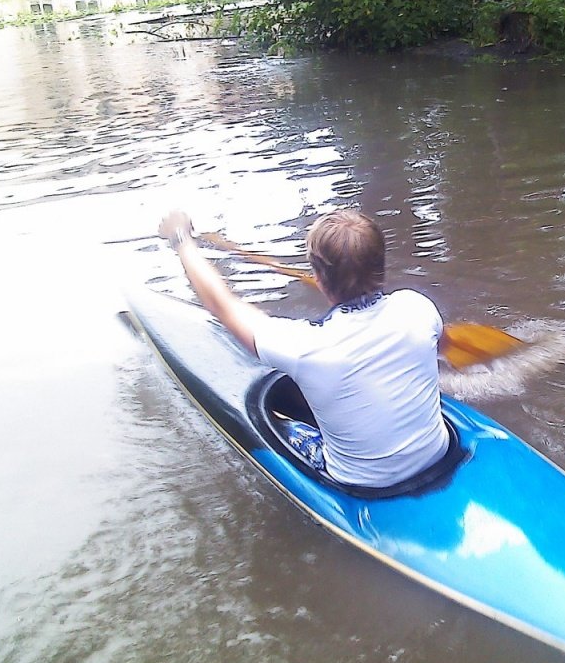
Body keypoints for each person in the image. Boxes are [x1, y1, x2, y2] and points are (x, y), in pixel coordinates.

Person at [158, 209, 449, 489]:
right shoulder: (418, 307)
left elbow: (224, 306)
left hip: (364, 483)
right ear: (381, 265)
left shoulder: (305, 347)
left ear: (319, 278)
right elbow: (442, 346)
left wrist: (181, 240)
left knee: (277, 425)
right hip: (438, 453)